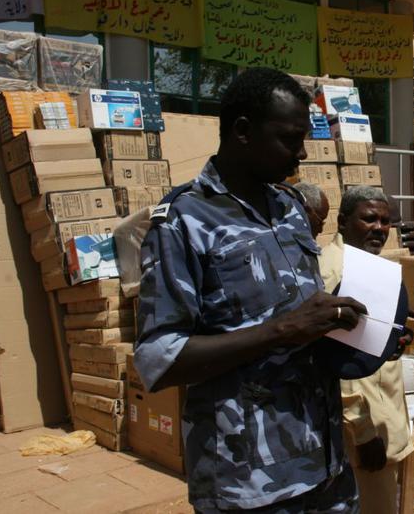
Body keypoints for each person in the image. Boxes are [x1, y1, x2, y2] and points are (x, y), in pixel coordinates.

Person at [134, 67, 367, 513]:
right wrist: (282, 330)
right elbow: (158, 360)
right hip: (250, 485)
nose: (301, 153)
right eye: (289, 138)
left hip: (327, 467)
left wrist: (363, 329)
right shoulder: (181, 224)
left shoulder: (289, 208)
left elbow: (303, 315)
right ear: (242, 131)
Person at [319, 186, 414, 514]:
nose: (379, 228)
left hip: (383, 421)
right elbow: (336, 362)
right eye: (369, 219)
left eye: (386, 221)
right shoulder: (337, 272)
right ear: (343, 221)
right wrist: (363, 431)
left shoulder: (367, 266)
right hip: (362, 436)